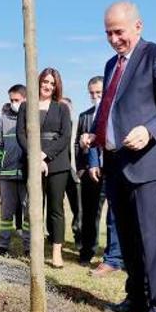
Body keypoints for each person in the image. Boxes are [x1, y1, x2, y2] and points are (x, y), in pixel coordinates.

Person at [83, 1, 156, 312]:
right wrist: (98, 139)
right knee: (126, 236)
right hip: (115, 163)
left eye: (119, 31)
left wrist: (151, 129)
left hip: (147, 163)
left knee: (148, 236)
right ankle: (137, 297)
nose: (114, 39)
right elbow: (114, 108)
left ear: (138, 26)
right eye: (108, 33)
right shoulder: (110, 65)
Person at [17, 67, 72, 268]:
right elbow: (21, 135)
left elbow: (65, 136)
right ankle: (36, 250)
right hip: (32, 162)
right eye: (45, 81)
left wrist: (44, 155)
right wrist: (34, 156)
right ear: (38, 82)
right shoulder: (26, 106)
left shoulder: (62, 108)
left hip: (57, 163)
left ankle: (57, 251)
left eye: (52, 83)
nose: (48, 86)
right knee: (34, 208)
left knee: (55, 209)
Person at [77, 75, 124, 274]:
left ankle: (114, 255)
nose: (96, 96)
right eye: (92, 93)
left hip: (114, 169)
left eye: (99, 92)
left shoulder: (118, 112)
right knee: (89, 213)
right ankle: (86, 250)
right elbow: (79, 143)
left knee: (115, 216)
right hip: (92, 172)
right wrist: (83, 166)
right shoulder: (85, 116)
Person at [0, 84, 30, 256]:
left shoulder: (32, 119)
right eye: (11, 100)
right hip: (6, 175)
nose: (14, 103)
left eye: (17, 100)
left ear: (26, 99)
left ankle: (30, 248)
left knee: (29, 212)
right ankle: (2, 246)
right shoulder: (2, 121)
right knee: (6, 212)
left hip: (27, 174)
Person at [62, 97, 83, 249]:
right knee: (55, 207)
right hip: (58, 171)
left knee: (78, 208)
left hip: (74, 172)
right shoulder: (54, 125)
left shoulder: (77, 124)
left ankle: (79, 238)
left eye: (66, 107)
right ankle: (55, 237)